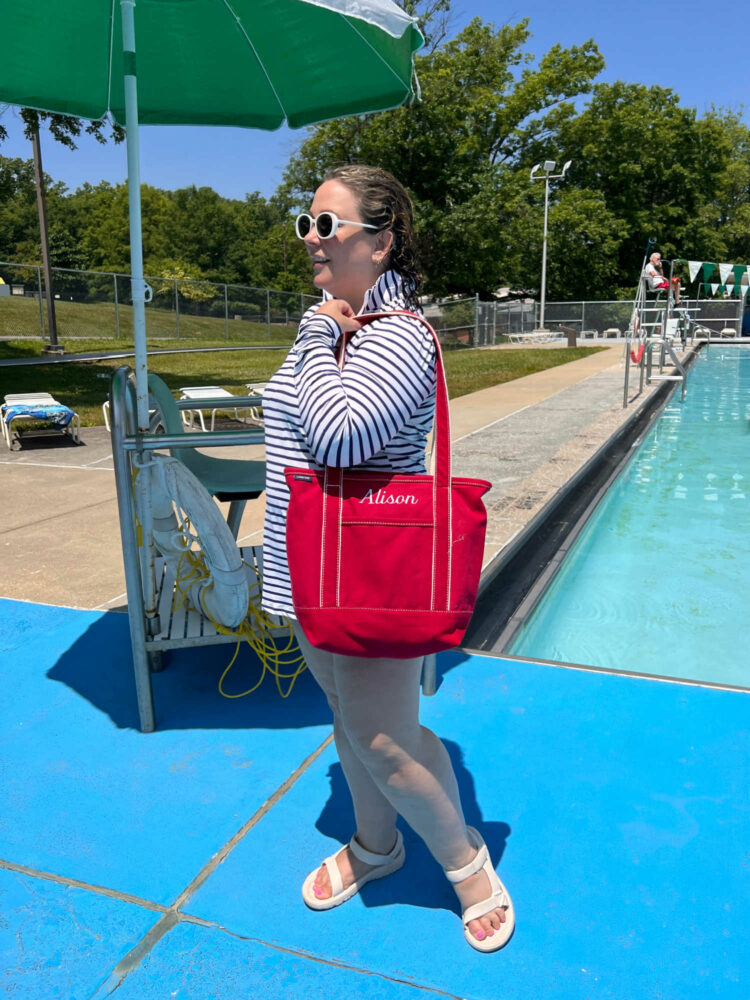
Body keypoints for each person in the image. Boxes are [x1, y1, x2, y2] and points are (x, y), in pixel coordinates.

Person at [260, 164, 514, 953]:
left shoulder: (392, 335)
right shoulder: (343, 328)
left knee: (383, 738)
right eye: (306, 222)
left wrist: (315, 333)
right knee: (355, 722)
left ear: (382, 241)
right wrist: (325, 335)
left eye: (327, 225)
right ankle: (378, 847)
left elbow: (337, 437)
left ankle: (469, 864)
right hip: (315, 566)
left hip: (363, 569)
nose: (311, 238)